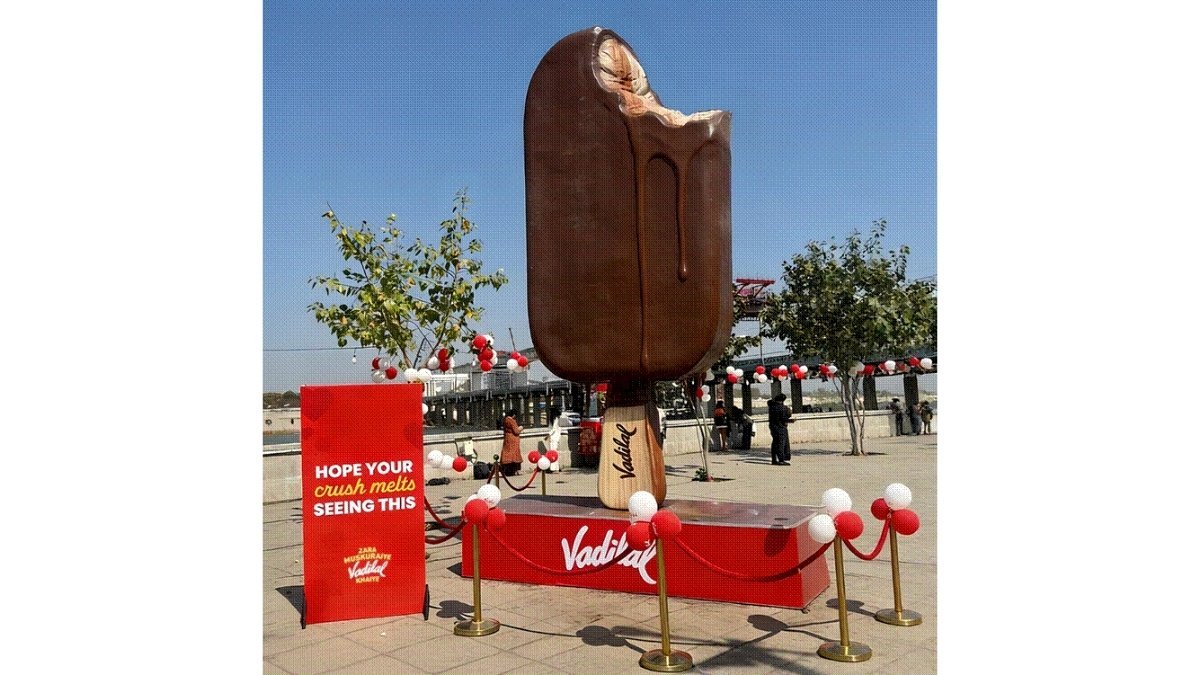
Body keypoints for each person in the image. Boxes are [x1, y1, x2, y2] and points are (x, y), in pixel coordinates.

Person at [767, 393, 792, 465]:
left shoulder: (771, 407)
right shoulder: (783, 408)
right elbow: (785, 418)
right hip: (781, 428)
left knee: (775, 443)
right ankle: (781, 460)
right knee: (781, 443)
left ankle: (774, 459)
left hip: (773, 428)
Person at [500, 410, 523, 476]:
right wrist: (521, 428)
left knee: (507, 454)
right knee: (514, 455)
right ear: (513, 415)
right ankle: (515, 470)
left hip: (507, 438)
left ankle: (506, 471)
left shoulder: (505, 420)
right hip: (513, 439)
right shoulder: (512, 421)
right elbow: (516, 431)